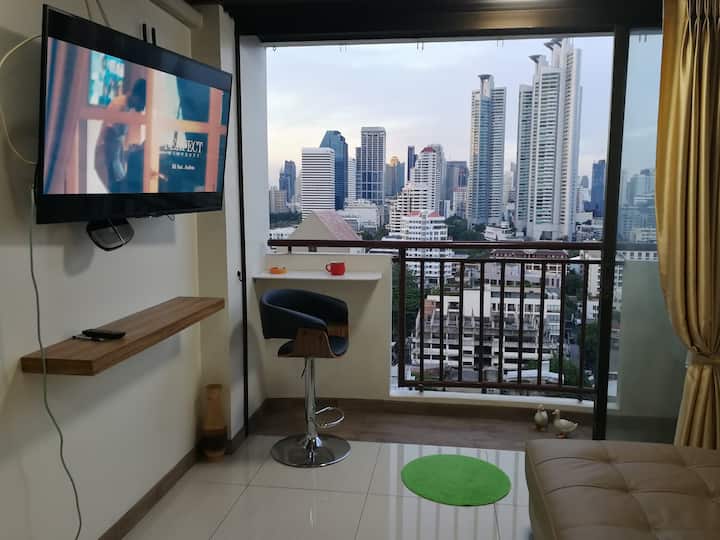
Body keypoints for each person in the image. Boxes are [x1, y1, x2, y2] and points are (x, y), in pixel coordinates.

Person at [94, 78, 146, 192]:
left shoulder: (127, 106)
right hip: (106, 156)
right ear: (136, 96)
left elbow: (117, 140)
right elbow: (109, 138)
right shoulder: (119, 105)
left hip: (113, 157)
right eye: (143, 103)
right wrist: (114, 176)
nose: (143, 107)